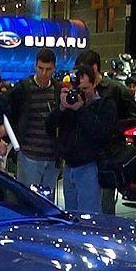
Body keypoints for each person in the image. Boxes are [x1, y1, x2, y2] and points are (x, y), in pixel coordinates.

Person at [74, 49, 136, 214]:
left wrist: (112, 128)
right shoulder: (79, 88)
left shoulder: (115, 89)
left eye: (84, 70)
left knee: (104, 206)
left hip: (106, 155)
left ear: (94, 68)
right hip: (82, 154)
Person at [47, 64, 113, 213]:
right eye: (78, 89)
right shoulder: (69, 104)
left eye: (85, 89)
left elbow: (100, 134)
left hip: (89, 166)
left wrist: (81, 109)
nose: (81, 94)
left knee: (88, 216)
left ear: (94, 83)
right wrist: (62, 108)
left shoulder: (105, 105)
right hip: (69, 165)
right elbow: (49, 127)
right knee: (71, 214)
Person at [6, 49, 61, 201]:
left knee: (48, 202)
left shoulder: (58, 90)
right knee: (28, 201)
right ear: (35, 66)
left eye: (48, 69)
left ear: (54, 68)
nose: (44, 73)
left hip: (51, 156)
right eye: (40, 68)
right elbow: (7, 111)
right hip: (29, 154)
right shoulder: (23, 88)